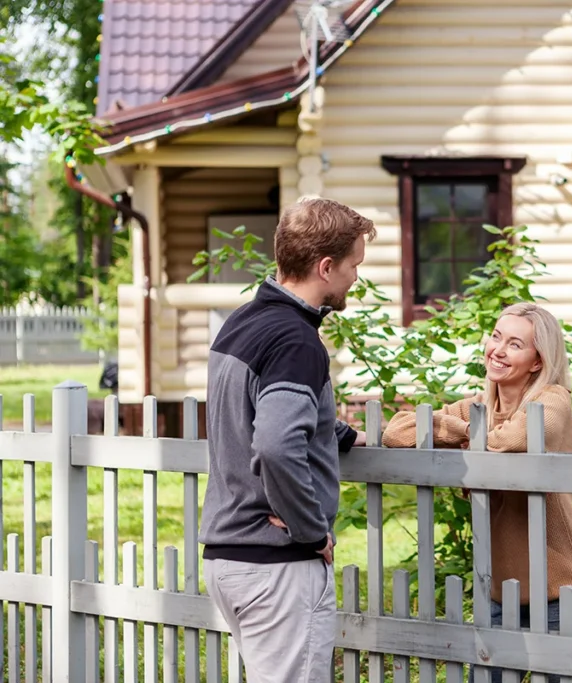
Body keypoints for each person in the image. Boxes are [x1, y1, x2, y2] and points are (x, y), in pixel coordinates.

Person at [199, 197, 375, 683]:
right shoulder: (296, 341)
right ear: (325, 267)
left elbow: (252, 412)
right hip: (277, 564)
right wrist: (311, 529)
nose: (355, 279)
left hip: (229, 559)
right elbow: (275, 445)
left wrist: (334, 434)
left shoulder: (242, 324)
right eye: (353, 266)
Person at [381, 303, 572, 683]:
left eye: (514, 344)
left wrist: (459, 434)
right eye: (496, 336)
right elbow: (396, 432)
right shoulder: (477, 408)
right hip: (500, 591)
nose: (497, 349)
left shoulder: (553, 400)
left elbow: (513, 441)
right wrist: (465, 429)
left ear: (536, 362)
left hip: (561, 590)